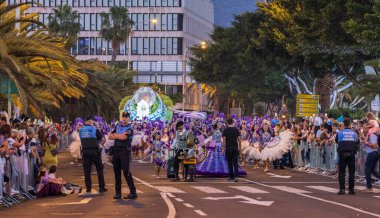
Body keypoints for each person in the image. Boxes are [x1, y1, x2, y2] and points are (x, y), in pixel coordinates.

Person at [109, 112, 137, 200]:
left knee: (126, 172)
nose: (124, 118)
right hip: (116, 152)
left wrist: (116, 136)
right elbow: (110, 136)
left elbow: (124, 138)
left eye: (126, 117)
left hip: (125, 152)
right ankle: (118, 193)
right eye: (123, 117)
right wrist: (119, 136)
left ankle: (133, 192)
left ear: (129, 118)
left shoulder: (130, 129)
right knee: (116, 173)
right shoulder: (118, 127)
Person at [79, 116, 107, 194]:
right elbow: (103, 139)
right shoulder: (94, 129)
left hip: (85, 152)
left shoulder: (81, 130)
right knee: (99, 169)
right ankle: (101, 187)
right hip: (94, 151)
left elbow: (82, 140)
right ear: (90, 121)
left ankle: (88, 188)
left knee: (87, 171)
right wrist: (99, 144)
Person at [336, 118, 359, 195]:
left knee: (342, 172)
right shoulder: (354, 133)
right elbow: (357, 142)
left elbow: (336, 141)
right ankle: (351, 190)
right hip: (352, 155)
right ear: (350, 124)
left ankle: (342, 189)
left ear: (343, 124)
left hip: (342, 154)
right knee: (351, 172)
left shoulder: (339, 133)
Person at [222, 118, 241, 182]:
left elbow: (224, 140)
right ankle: (236, 176)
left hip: (228, 148)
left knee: (229, 162)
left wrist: (223, 148)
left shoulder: (225, 130)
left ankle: (231, 176)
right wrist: (240, 148)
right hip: (235, 148)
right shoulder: (236, 130)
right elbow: (239, 140)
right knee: (235, 162)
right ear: (232, 122)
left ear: (227, 123)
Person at [362, 125, 380, 192]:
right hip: (373, 153)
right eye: (364, 128)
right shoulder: (368, 135)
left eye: (366, 128)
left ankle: (369, 187)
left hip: (372, 153)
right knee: (372, 170)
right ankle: (369, 187)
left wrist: (366, 142)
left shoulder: (372, 135)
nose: (364, 129)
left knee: (367, 170)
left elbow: (374, 146)